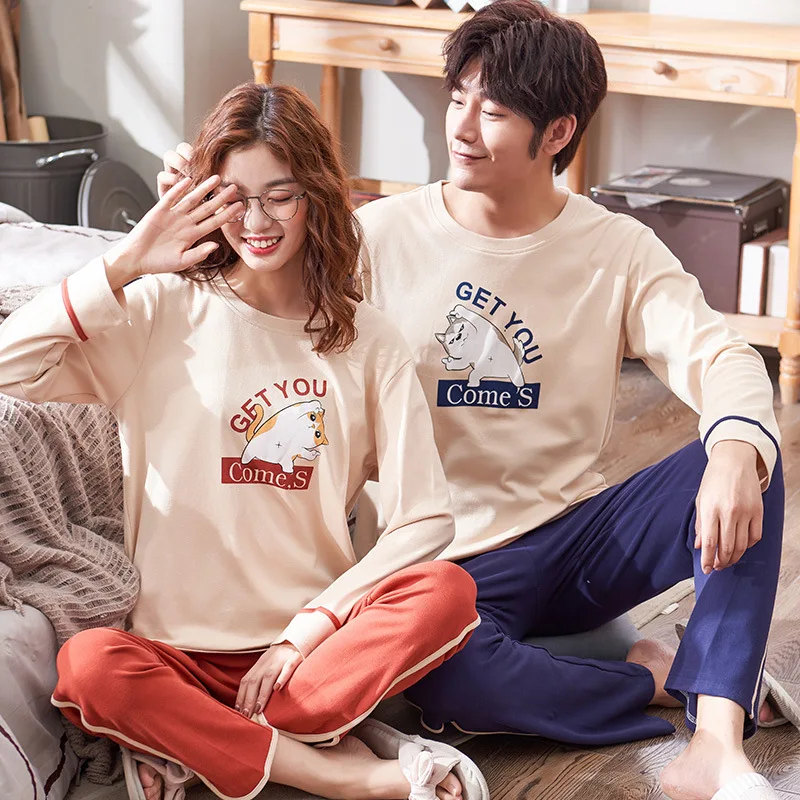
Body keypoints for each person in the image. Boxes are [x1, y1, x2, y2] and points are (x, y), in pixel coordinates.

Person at [159, 5, 785, 798]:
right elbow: (262, 296)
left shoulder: (615, 248)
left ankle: (719, 745)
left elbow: (720, 353)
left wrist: (733, 449)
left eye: (493, 112)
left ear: (557, 133)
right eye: (457, 98)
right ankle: (657, 679)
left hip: (575, 538)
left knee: (747, 459)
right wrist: (206, 212)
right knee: (446, 681)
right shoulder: (376, 237)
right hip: (442, 561)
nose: (460, 127)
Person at [0, 83, 487, 800]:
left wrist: (305, 633)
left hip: (304, 660)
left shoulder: (368, 341)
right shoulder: (160, 308)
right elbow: (9, 364)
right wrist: (127, 259)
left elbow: (427, 517)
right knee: (89, 665)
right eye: (235, 198)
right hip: (173, 656)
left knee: (448, 591)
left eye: (280, 197)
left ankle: (194, 743)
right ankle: (339, 773)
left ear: (317, 196)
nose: (256, 222)